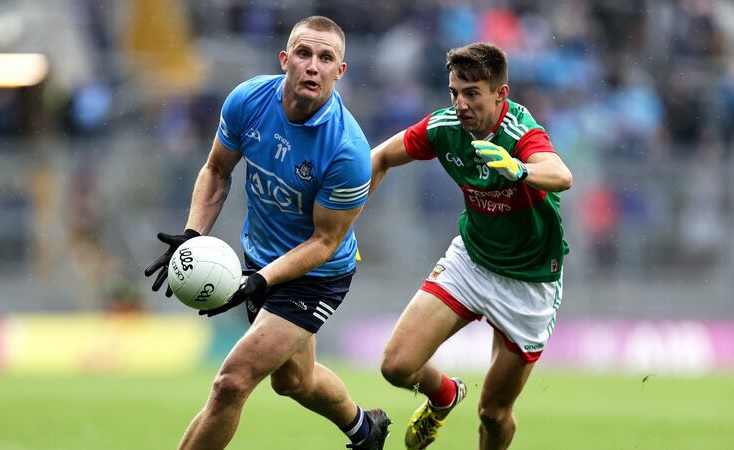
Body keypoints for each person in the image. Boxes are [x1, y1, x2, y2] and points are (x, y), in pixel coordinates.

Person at [144, 16, 391, 450]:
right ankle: (364, 432)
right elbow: (217, 170)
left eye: (326, 58)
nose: (313, 66)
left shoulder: (348, 150)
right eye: (304, 54)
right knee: (295, 380)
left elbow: (324, 241)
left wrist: (259, 281)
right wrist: (191, 234)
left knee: (231, 383)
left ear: (340, 71)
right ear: (285, 60)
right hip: (260, 258)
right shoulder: (248, 100)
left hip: (317, 275)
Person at [369, 42, 573, 450]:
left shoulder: (519, 133)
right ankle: (443, 394)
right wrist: (340, 226)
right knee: (396, 365)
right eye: (454, 93)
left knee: (493, 415)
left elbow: (561, 174)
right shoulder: (444, 127)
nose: (460, 104)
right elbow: (378, 158)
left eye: (472, 93)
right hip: (472, 261)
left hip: (529, 281)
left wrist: (519, 169)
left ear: (501, 95)